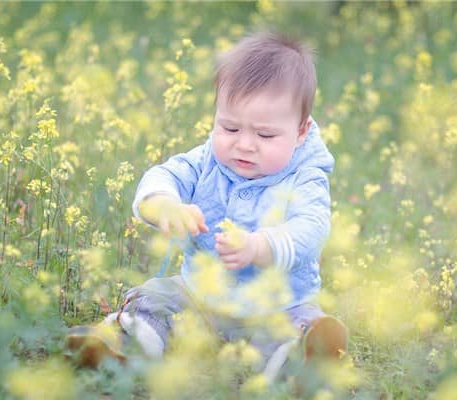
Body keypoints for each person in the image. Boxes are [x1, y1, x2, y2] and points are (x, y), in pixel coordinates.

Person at [67, 31, 348, 382]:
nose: (244, 145)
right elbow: (164, 175)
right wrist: (164, 205)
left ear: (301, 131)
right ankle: (124, 346)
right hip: (198, 294)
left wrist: (261, 246)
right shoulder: (207, 160)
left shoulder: (306, 177)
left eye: (265, 135)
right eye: (229, 127)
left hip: (277, 306)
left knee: (293, 327)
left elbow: (312, 228)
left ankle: (300, 361)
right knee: (157, 297)